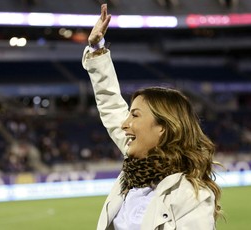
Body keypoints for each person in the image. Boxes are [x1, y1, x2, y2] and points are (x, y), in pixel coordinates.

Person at [82, 4, 222, 230]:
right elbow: (110, 104)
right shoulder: (134, 170)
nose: (125, 124)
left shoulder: (192, 197)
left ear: (163, 128)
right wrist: (97, 50)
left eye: (135, 115)